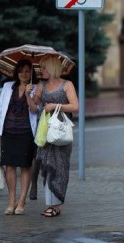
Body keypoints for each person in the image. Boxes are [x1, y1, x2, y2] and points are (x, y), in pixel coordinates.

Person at [33, 56, 78, 217]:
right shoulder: (41, 85)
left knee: (60, 167)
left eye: (43, 68)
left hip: (61, 131)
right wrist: (31, 95)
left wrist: (55, 106)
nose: (41, 71)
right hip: (45, 130)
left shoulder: (67, 85)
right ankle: (51, 204)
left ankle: (56, 204)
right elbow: (34, 106)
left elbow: (75, 106)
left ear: (51, 68)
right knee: (46, 165)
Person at [0, 60, 40, 215]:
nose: (24, 74)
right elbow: (0, 109)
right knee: (9, 166)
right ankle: (12, 201)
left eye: (27, 71)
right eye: (21, 71)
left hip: (26, 133)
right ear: (17, 72)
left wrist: (28, 94)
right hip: (8, 132)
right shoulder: (8, 87)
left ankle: (22, 201)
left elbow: (35, 110)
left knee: (25, 166)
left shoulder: (35, 88)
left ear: (31, 73)